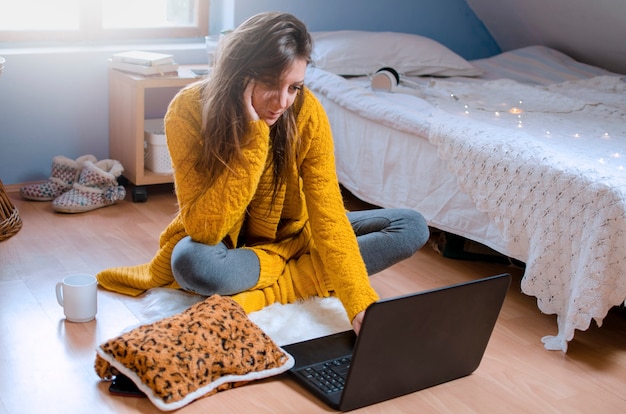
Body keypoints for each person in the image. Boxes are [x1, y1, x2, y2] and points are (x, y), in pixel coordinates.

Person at [96, 12, 429, 334]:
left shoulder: (307, 112)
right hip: (226, 244)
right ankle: (299, 273)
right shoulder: (186, 112)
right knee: (192, 263)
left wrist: (359, 302)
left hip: (296, 234)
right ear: (240, 73)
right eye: (271, 84)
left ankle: (274, 286)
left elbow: (328, 216)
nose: (283, 101)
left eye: (294, 87)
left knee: (411, 225)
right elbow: (203, 228)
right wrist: (254, 142)